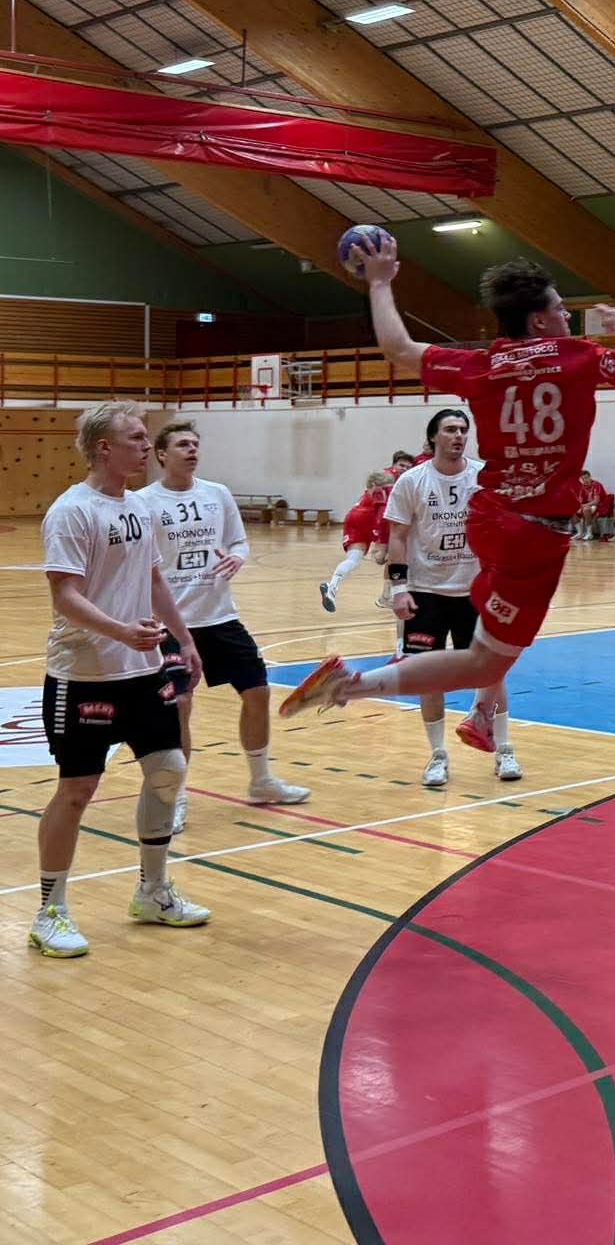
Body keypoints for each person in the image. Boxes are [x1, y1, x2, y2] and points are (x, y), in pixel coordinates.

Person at [282, 238, 615, 722]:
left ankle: (483, 716)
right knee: (484, 663)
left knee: (490, 640)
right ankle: (351, 685)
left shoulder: (483, 365)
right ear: (538, 321)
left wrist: (379, 282)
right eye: (560, 309)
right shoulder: (579, 355)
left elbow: (397, 348)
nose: (568, 316)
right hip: (534, 534)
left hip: (487, 518)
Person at [30, 402, 211, 957]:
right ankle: (50, 911)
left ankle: (153, 891)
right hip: (84, 674)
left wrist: (184, 640)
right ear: (103, 447)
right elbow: (65, 596)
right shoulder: (72, 511)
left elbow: (153, 580)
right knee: (77, 790)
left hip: (143, 672)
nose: (145, 445)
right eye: (135, 437)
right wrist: (121, 632)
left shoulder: (138, 507)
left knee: (168, 769)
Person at [142, 420, 308, 834]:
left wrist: (237, 557)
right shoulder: (143, 502)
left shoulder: (217, 494)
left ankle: (261, 779)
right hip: (172, 623)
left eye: (196, 444)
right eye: (183, 444)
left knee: (258, 691)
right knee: (180, 706)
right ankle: (176, 797)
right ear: (162, 454)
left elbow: (238, 541)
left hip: (220, 617)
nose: (192, 450)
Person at [385, 409, 523, 784]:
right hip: (426, 592)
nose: (459, 436)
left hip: (475, 590)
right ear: (433, 437)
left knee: (491, 673)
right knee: (429, 677)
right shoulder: (412, 481)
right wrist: (398, 589)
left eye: (463, 430)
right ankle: (437, 756)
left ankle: (504, 749)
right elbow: (397, 537)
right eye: (450, 430)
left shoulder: (482, 477)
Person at [321, 470, 392, 612]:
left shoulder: (368, 493)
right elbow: (382, 515)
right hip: (369, 520)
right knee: (394, 555)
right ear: (374, 485)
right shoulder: (380, 493)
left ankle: (331, 587)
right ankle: (391, 595)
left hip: (353, 519)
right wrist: (380, 542)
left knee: (353, 559)